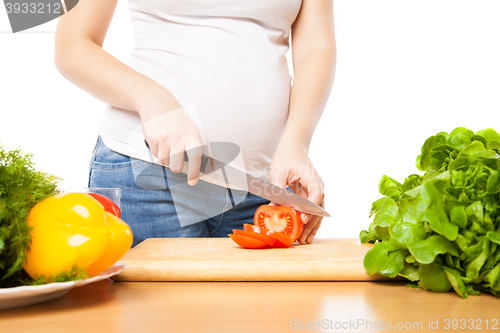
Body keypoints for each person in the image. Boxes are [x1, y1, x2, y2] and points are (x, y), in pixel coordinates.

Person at [54, 0, 336, 247]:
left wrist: (296, 142)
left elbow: (315, 47)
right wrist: (153, 99)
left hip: (262, 186)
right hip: (146, 175)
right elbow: (73, 45)